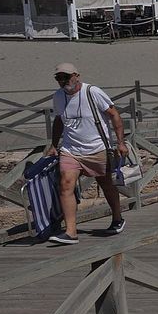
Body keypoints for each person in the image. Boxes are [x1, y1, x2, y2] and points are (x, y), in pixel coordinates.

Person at [46, 62, 128, 244]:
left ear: (77, 75)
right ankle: (70, 231)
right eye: (59, 78)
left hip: (97, 148)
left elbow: (114, 114)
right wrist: (53, 144)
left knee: (106, 184)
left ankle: (117, 218)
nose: (63, 81)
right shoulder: (58, 96)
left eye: (66, 77)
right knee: (66, 184)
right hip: (71, 150)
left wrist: (120, 142)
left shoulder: (92, 92)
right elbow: (59, 120)